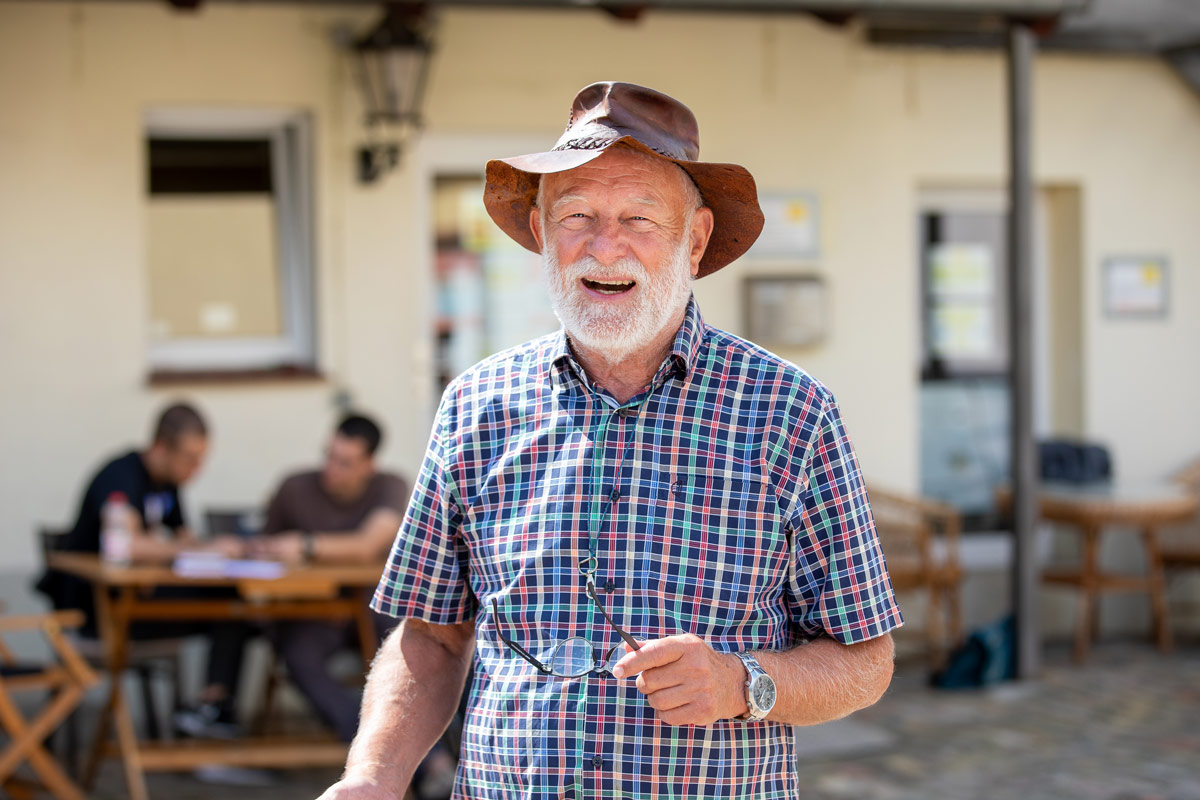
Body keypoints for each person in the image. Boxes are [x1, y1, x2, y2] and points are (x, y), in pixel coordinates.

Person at [320, 82, 903, 800]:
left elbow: (867, 661)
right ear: (539, 231)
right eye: (577, 215)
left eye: (638, 218)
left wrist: (740, 682)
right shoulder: (478, 405)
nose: (604, 246)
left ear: (693, 239)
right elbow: (433, 638)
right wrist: (374, 777)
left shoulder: (789, 412)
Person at [38, 402, 251, 737]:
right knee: (231, 609)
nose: (196, 469)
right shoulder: (120, 476)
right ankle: (208, 716)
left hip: (136, 601)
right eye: (189, 459)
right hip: (94, 612)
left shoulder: (167, 485)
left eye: (201, 459)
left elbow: (184, 538)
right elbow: (126, 545)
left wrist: (214, 550)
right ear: (160, 447)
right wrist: (199, 549)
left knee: (235, 604)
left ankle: (212, 710)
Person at [253, 414, 410, 742]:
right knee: (298, 656)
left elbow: (368, 545)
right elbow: (265, 557)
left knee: (412, 645)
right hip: (313, 612)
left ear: (369, 464)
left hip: (370, 609)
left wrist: (306, 544)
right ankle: (373, 746)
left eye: (345, 462)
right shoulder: (294, 488)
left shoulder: (391, 486)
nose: (331, 469)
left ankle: (430, 759)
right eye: (329, 456)